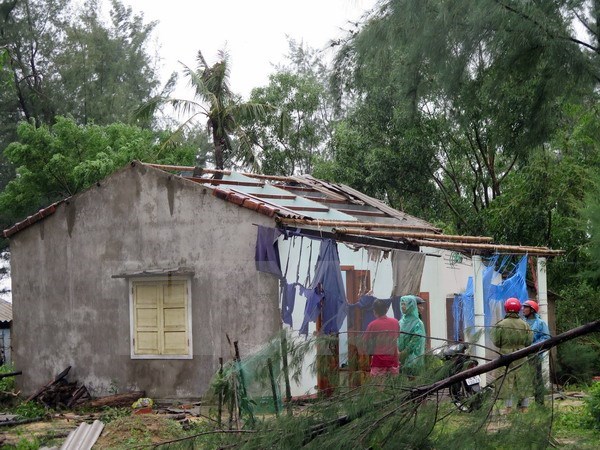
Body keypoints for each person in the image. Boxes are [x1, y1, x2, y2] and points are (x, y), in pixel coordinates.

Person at [491, 297, 533, 412]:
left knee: (506, 380)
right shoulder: (525, 325)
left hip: (505, 355)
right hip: (521, 354)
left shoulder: (500, 324)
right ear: (519, 308)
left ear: (506, 308)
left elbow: (496, 341)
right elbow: (529, 341)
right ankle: (524, 407)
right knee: (523, 380)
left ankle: (508, 408)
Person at [522, 299, 550, 406]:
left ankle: (539, 402)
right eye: (523, 307)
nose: (523, 309)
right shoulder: (522, 322)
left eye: (526, 307)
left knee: (537, 379)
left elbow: (546, 337)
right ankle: (522, 403)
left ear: (532, 310)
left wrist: (533, 347)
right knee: (522, 379)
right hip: (522, 355)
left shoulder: (541, 323)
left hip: (535, 355)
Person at [364, 299, 400, 376]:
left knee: (379, 387)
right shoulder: (395, 322)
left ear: (374, 311)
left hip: (378, 362)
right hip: (393, 361)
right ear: (386, 309)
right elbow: (397, 338)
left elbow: (365, 342)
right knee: (394, 387)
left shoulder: (372, 325)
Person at [397, 295, 426, 376]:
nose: (402, 306)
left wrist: (405, 352)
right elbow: (397, 338)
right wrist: (398, 352)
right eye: (401, 304)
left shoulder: (418, 323)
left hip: (413, 358)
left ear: (411, 305)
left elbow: (416, 339)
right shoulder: (401, 322)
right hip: (401, 358)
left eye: (404, 304)